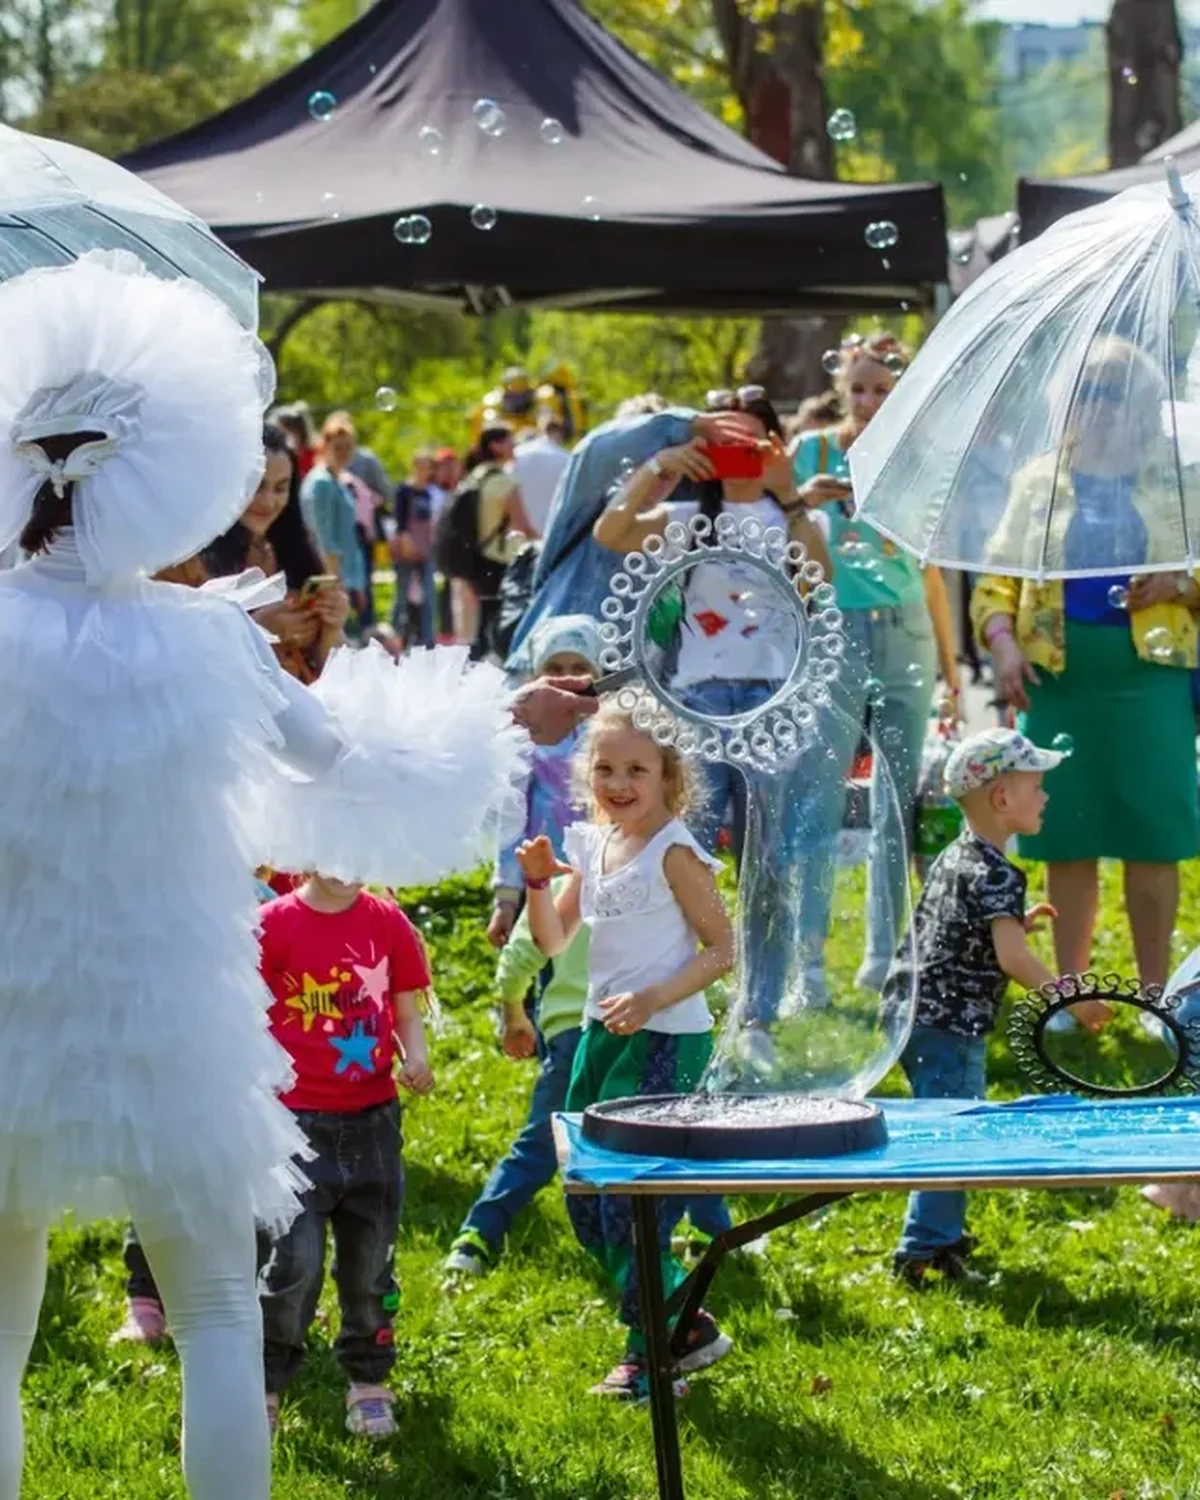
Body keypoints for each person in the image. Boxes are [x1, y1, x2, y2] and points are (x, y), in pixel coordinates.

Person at [0, 251, 531, 1500]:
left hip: (11, 1009)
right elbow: (345, 766)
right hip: (175, 1014)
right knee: (219, 1313)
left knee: (2, 1327)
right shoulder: (204, 644)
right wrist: (486, 723)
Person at [518, 706, 735, 1403]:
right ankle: (684, 1324)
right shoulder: (596, 845)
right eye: (605, 767)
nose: (618, 781)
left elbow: (723, 950)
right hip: (599, 1035)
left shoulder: (675, 853)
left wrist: (653, 998)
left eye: (636, 769)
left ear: (670, 780)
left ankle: (653, 1356)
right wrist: (535, 885)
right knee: (586, 1197)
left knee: (634, 1204)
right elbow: (554, 942)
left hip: (665, 1038)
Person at [972, 336, 1200, 994]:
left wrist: (1179, 584)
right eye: (1086, 392)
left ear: (1142, 403)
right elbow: (997, 582)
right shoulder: (1037, 480)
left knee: (1152, 835)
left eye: (1111, 392)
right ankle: (1069, 993)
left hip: (1150, 678)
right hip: (1059, 681)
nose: (1096, 406)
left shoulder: (1178, 482)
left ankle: (1159, 999)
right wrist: (1003, 641)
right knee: (1065, 834)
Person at [885, 728, 1110, 1288]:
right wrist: (1072, 999)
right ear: (1001, 798)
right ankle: (923, 1250)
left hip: (915, 1015)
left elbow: (969, 930)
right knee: (956, 1132)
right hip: (950, 1024)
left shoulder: (959, 857)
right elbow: (1011, 959)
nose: (1046, 797)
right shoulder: (996, 872)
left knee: (952, 1124)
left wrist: (1016, 918)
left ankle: (939, 1237)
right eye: (1036, 786)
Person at [791, 332, 963, 998]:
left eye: (882, 390)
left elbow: (931, 569)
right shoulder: (811, 452)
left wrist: (950, 665)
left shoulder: (920, 459)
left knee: (895, 801)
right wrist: (802, 499)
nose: (867, 401)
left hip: (906, 633)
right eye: (857, 388)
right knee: (821, 796)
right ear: (840, 390)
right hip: (834, 631)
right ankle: (806, 960)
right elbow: (780, 536)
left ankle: (882, 952)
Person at [593, 386, 831, 863]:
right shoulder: (687, 518)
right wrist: (662, 464)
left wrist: (787, 492)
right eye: (722, 440)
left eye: (752, 443)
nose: (737, 452)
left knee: (769, 852)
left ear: (777, 448)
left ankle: (762, 941)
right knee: (691, 838)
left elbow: (821, 578)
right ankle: (693, 936)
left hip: (773, 693)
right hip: (697, 696)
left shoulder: (795, 518)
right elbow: (610, 532)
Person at [258, 870, 434, 1440]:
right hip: (295, 1124)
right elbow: (247, 1017)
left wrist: (417, 1056)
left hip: (372, 1124)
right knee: (293, 1263)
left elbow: (405, 1007)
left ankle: (368, 1379)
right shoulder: (272, 925)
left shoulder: (387, 922)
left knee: (370, 1263)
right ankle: (264, 1380)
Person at [504, 395, 771, 675]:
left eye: (667, 473)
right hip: (548, 668)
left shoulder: (678, 520)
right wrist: (683, 427)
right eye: (638, 469)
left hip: (623, 685)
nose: (650, 483)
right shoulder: (587, 500)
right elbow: (596, 448)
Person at [488, 615, 601, 950]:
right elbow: (510, 816)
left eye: (579, 666)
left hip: (604, 874)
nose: (567, 678)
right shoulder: (528, 739)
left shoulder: (610, 732)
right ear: (536, 678)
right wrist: (506, 898)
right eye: (555, 667)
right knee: (544, 957)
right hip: (543, 875)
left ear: (598, 674)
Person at [459, 423, 535, 661]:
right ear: (496, 445)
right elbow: (523, 526)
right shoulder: (504, 481)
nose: (515, 446)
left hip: (475, 557)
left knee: (484, 617)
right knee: (501, 617)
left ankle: (476, 663)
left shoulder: (475, 477)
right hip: (499, 557)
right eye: (509, 441)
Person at [300, 412, 368, 616]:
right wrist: (335, 581)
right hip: (329, 574)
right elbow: (323, 536)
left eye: (348, 447)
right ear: (325, 446)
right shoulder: (322, 482)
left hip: (345, 572)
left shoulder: (338, 480)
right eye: (338, 447)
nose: (344, 453)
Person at [391, 450, 439, 649]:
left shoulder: (428, 493)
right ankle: (395, 637)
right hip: (407, 548)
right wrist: (405, 544)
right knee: (401, 595)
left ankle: (428, 639)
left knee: (428, 595)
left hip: (425, 549)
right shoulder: (404, 490)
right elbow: (400, 522)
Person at [513, 414, 571, 537]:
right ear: (559, 432)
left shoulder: (518, 453)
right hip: (552, 527)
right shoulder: (566, 458)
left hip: (521, 526)